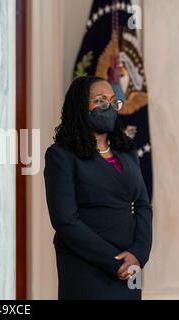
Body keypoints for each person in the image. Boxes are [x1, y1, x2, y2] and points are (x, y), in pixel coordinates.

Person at [43, 75, 153, 300]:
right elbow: (65, 220)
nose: (109, 107)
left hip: (131, 265)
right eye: (100, 101)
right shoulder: (61, 156)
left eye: (113, 101)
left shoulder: (127, 151)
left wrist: (138, 254)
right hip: (87, 266)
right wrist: (115, 262)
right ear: (80, 107)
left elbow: (142, 204)